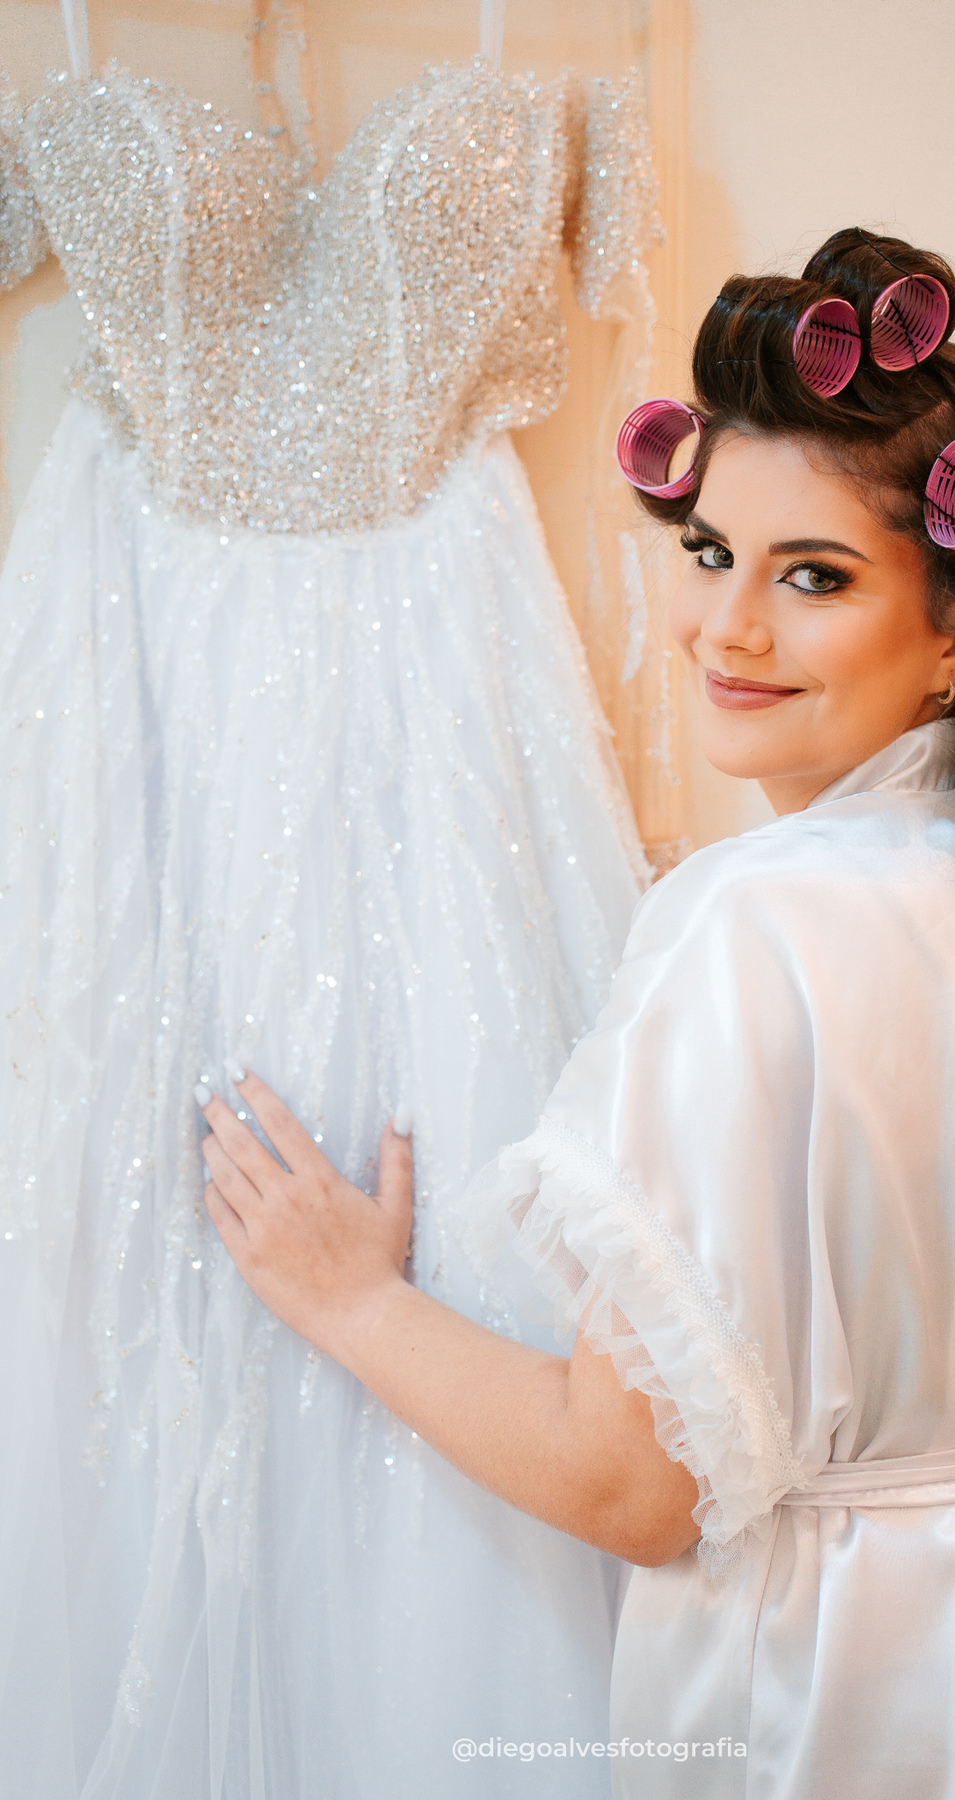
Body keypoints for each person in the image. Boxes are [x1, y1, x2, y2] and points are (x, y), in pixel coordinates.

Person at [197, 229, 955, 1798]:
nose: (726, 626)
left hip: (833, 1697)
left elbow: (633, 1487)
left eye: (814, 577)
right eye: (712, 551)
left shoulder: (750, 922)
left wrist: (349, 1300)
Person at [0, 55, 660, 1799]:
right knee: (123, 1264)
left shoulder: (581, 62)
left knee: (460, 1228)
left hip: (441, 722)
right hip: (138, 710)